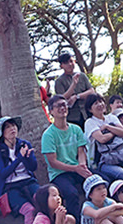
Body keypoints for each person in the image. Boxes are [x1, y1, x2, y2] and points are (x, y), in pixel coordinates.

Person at [41, 96, 91, 224]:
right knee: (72, 194)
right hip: (59, 173)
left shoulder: (76, 129)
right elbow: (52, 162)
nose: (62, 108)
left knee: (99, 182)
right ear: (51, 111)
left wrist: (82, 166)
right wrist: (76, 168)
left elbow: (81, 152)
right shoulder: (48, 135)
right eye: (58, 106)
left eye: (64, 105)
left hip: (77, 168)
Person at [82, 95, 123, 202]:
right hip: (104, 162)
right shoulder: (90, 122)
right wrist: (114, 131)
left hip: (121, 157)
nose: (100, 105)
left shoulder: (111, 118)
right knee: (121, 173)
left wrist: (108, 127)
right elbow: (102, 139)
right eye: (95, 103)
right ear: (90, 109)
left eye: (101, 102)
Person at [0, 117, 38, 224]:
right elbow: (2, 174)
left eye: (13, 125)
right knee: (29, 210)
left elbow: (33, 167)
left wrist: (28, 158)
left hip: (28, 181)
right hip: (10, 187)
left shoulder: (24, 144)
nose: (12, 129)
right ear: (1, 133)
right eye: (7, 127)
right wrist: (19, 158)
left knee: (42, 203)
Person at [54, 53, 97, 129]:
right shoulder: (59, 81)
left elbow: (91, 91)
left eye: (71, 61)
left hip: (87, 113)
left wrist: (77, 97)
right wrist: (73, 84)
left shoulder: (82, 76)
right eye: (66, 63)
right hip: (72, 117)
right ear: (61, 66)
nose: (70, 64)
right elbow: (61, 98)